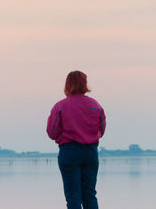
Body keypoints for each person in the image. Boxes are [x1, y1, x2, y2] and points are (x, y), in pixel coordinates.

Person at [46, 70, 106, 209]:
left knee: (73, 194)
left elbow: (52, 132)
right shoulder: (95, 105)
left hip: (69, 151)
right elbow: (102, 129)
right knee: (90, 194)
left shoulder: (60, 106)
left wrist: (63, 137)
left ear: (67, 84)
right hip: (90, 152)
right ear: (84, 84)